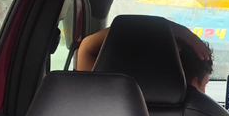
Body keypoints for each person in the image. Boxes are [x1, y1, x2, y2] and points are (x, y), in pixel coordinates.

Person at [75, 22, 214, 92]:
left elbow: (86, 47)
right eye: (204, 85)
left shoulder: (93, 100)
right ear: (194, 84)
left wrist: (177, 30)